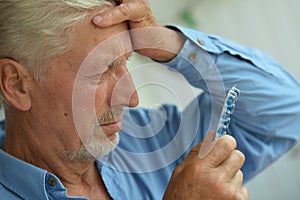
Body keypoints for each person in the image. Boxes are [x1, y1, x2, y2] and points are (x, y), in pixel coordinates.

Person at [0, 0, 299, 199]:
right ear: (16, 84)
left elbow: (286, 112)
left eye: (125, 62)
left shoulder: (148, 139)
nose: (132, 99)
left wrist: (168, 43)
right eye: (102, 70)